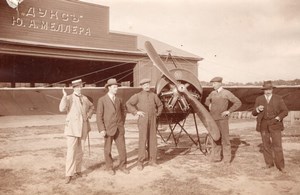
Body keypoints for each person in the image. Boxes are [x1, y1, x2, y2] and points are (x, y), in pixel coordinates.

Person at [59, 79, 94, 184]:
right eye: (77, 87)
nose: (79, 88)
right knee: (71, 152)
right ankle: (68, 174)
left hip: (83, 128)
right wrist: (64, 97)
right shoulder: (69, 98)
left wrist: (88, 115)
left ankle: (78, 171)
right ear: (73, 88)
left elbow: (92, 107)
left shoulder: (85, 98)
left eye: (80, 86)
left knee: (81, 151)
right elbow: (61, 108)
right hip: (72, 129)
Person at [126, 78, 163, 170]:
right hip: (143, 119)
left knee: (153, 140)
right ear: (141, 86)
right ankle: (140, 162)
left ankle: (152, 160)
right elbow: (128, 104)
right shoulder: (137, 96)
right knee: (143, 140)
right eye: (145, 84)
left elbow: (160, 105)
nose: (147, 86)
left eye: (148, 84)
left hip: (153, 119)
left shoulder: (153, 95)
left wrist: (157, 114)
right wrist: (136, 112)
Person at [252, 80, 288, 173]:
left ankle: (281, 166)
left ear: (272, 89)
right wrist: (257, 109)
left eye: (269, 89)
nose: (268, 91)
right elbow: (253, 113)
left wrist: (278, 118)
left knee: (277, 145)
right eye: (266, 90)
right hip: (263, 124)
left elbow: (285, 111)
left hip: (275, 124)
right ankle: (269, 164)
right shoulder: (259, 99)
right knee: (266, 145)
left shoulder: (278, 98)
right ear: (263, 90)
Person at [96, 78, 129, 175]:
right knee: (107, 149)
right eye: (114, 87)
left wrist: (122, 123)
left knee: (122, 148)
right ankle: (109, 167)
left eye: (117, 87)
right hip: (108, 129)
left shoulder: (119, 100)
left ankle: (123, 166)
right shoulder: (102, 100)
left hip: (119, 128)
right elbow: (99, 116)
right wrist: (101, 129)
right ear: (109, 88)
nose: (116, 89)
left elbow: (124, 111)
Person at [205, 76, 241, 164]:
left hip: (222, 120)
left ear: (219, 83)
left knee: (225, 140)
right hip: (213, 120)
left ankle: (227, 160)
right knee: (215, 138)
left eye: (214, 83)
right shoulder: (212, 93)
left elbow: (238, 102)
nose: (212, 85)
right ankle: (217, 157)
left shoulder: (226, 93)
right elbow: (206, 100)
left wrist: (229, 111)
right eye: (212, 83)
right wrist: (209, 104)